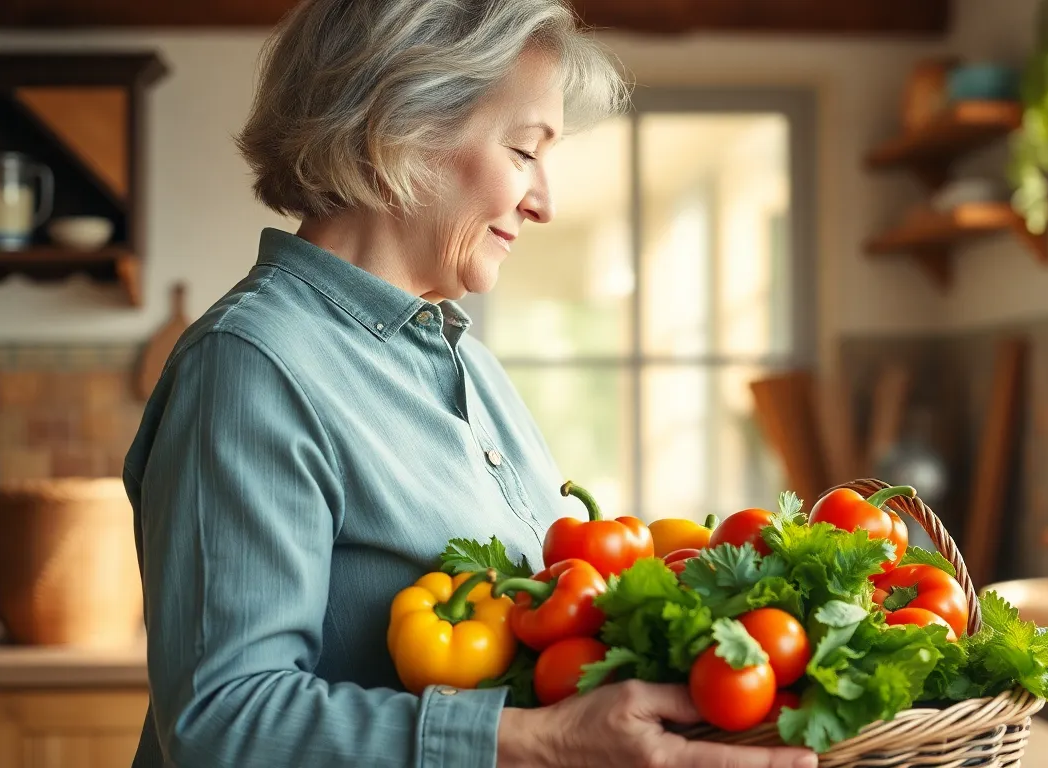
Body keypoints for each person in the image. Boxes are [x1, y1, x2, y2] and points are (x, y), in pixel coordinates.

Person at [124, 1, 818, 766]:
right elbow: (222, 720)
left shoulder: (470, 367)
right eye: (525, 151)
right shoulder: (252, 364)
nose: (544, 202)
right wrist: (538, 743)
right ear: (400, 127)